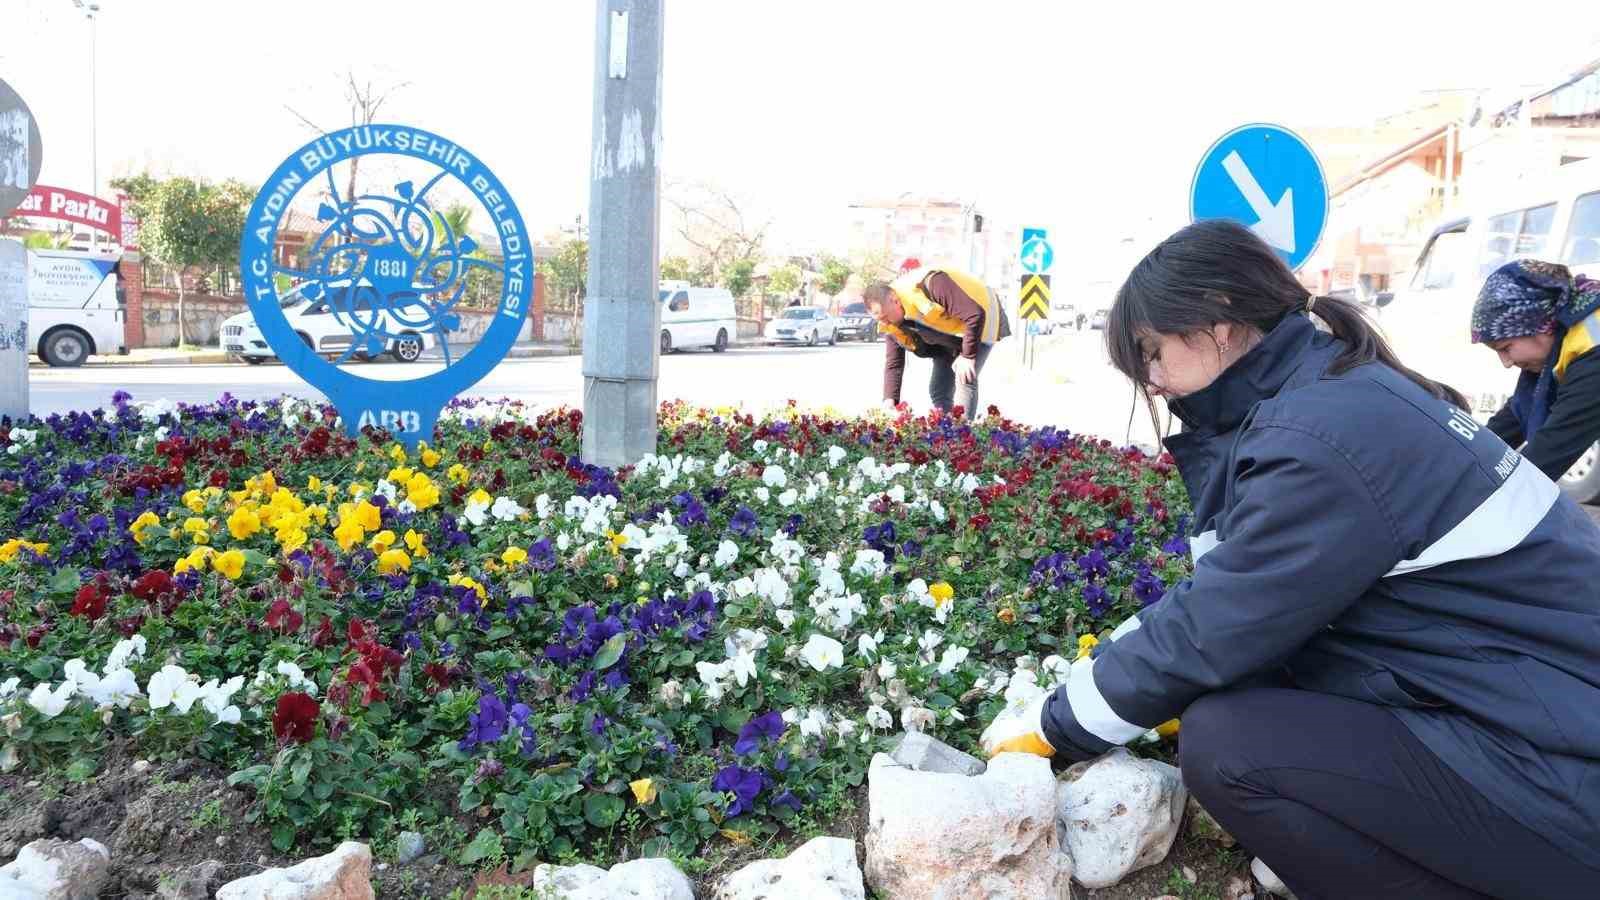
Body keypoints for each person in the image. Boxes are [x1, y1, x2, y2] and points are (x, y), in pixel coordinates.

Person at [980, 219, 1600, 899]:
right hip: (1538, 713)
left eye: (1152, 352)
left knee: (1232, 748)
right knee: (1255, 697)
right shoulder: (1335, 391)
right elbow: (1233, 592)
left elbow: (1216, 626)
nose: (1152, 380)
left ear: (1218, 321)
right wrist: (1115, 677)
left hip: (1564, 772)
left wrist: (1054, 726)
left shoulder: (1321, 435)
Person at [1471, 259, 1600, 483]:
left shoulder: (1594, 354)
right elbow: (1509, 422)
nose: (1506, 363)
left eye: (1506, 348)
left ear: (1540, 326)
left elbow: (1550, 450)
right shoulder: (1564, 336)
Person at [862, 265, 1009, 420]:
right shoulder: (890, 321)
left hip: (982, 322)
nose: (885, 322)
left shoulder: (933, 284)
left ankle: (963, 435)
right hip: (951, 335)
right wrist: (889, 400)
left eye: (885, 316)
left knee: (964, 376)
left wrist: (967, 356)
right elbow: (894, 362)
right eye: (880, 320)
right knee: (939, 388)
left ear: (894, 300)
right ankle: (947, 433)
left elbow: (975, 314)